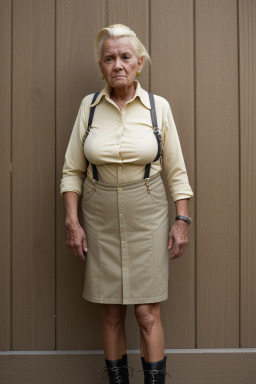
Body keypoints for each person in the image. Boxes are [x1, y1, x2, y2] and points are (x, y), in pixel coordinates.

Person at [60, 24, 193, 384]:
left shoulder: (157, 107)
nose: (117, 64)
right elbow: (72, 172)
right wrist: (73, 222)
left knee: (147, 312)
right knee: (111, 311)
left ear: (139, 63)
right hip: (99, 214)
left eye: (125, 57)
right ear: (101, 67)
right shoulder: (88, 108)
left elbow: (177, 172)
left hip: (147, 213)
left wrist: (182, 221)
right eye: (109, 58)